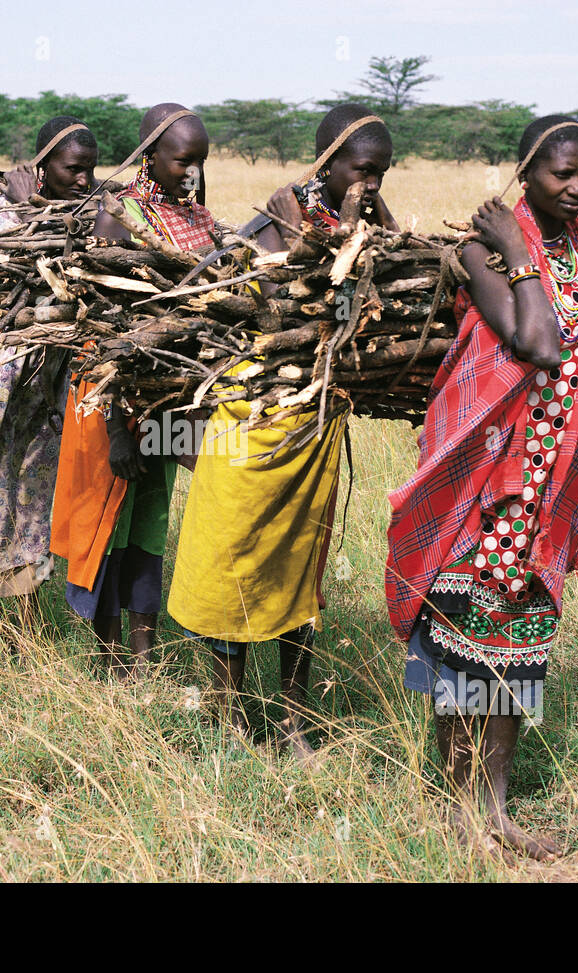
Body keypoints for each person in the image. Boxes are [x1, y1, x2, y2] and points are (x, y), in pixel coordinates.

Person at [385, 115, 578, 859]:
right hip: (485, 484)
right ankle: (458, 816)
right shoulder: (484, 252)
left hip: (548, 494)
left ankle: (496, 811)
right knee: (466, 649)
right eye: (558, 174)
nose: (573, 188)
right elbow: (537, 343)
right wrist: (515, 251)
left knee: (516, 656)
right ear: (526, 173)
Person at [167, 106, 398, 764]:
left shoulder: (364, 224)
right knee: (233, 565)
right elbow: (203, 289)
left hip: (315, 426)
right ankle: (225, 720)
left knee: (300, 570)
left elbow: (381, 300)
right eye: (362, 169)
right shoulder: (273, 219)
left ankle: (295, 719)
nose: (372, 181)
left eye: (383, 172)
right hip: (252, 420)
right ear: (326, 164)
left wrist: (373, 217)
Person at [51, 103, 217, 678]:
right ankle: (109, 657)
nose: (190, 172)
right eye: (180, 160)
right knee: (109, 525)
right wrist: (116, 428)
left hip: (169, 401)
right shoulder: (118, 218)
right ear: (149, 156)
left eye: (198, 160)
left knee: (149, 524)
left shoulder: (201, 220)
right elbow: (100, 328)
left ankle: (142, 658)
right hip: (112, 402)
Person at [0, 118, 98, 611]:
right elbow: (23, 257)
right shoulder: (2, 211)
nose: (84, 180)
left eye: (90, 169)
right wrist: (29, 206)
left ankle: (24, 615)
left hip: (44, 381)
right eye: (73, 169)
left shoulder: (87, 215)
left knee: (31, 491)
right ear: (41, 167)